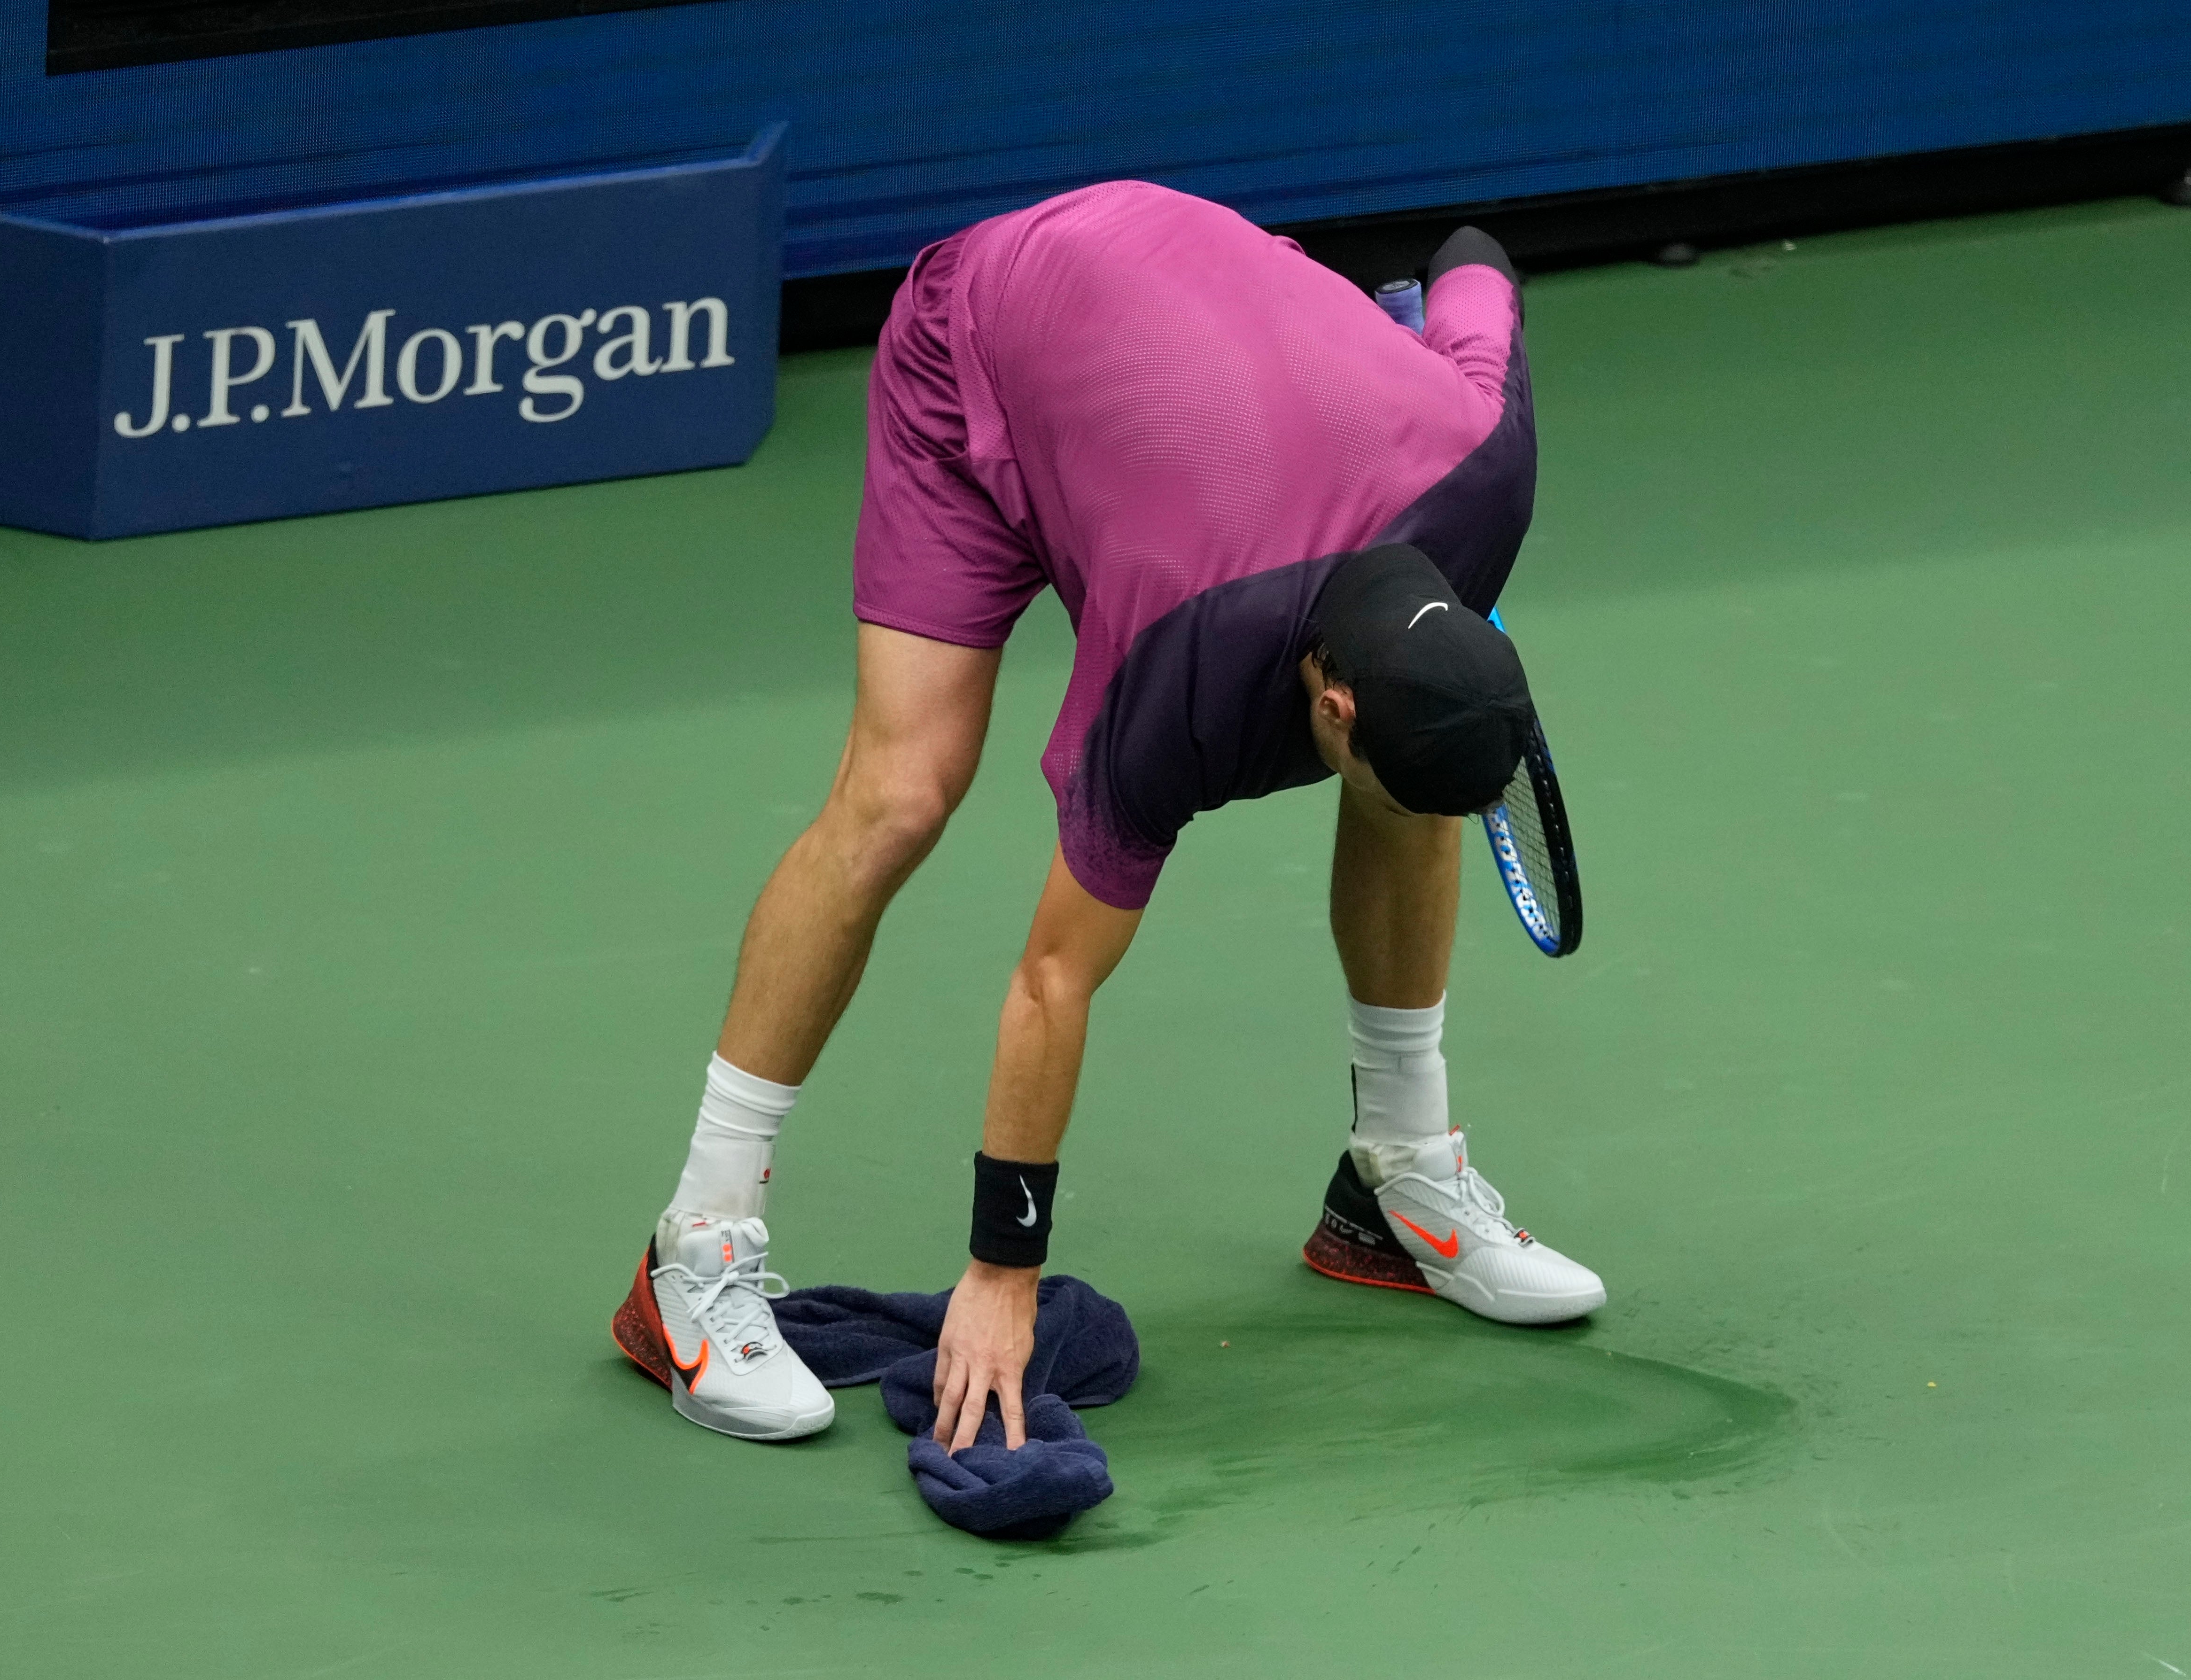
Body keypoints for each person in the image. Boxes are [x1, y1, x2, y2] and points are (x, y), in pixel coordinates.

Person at [609, 180, 1606, 1451]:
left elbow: (1473, 256)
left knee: (1421, 791)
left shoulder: (1486, 462)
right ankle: (689, 1258)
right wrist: (999, 1277)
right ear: (1333, 708)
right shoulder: (1174, 673)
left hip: (1192, 315)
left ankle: (1394, 1185)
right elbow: (1051, 981)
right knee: (899, 794)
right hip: (986, 331)